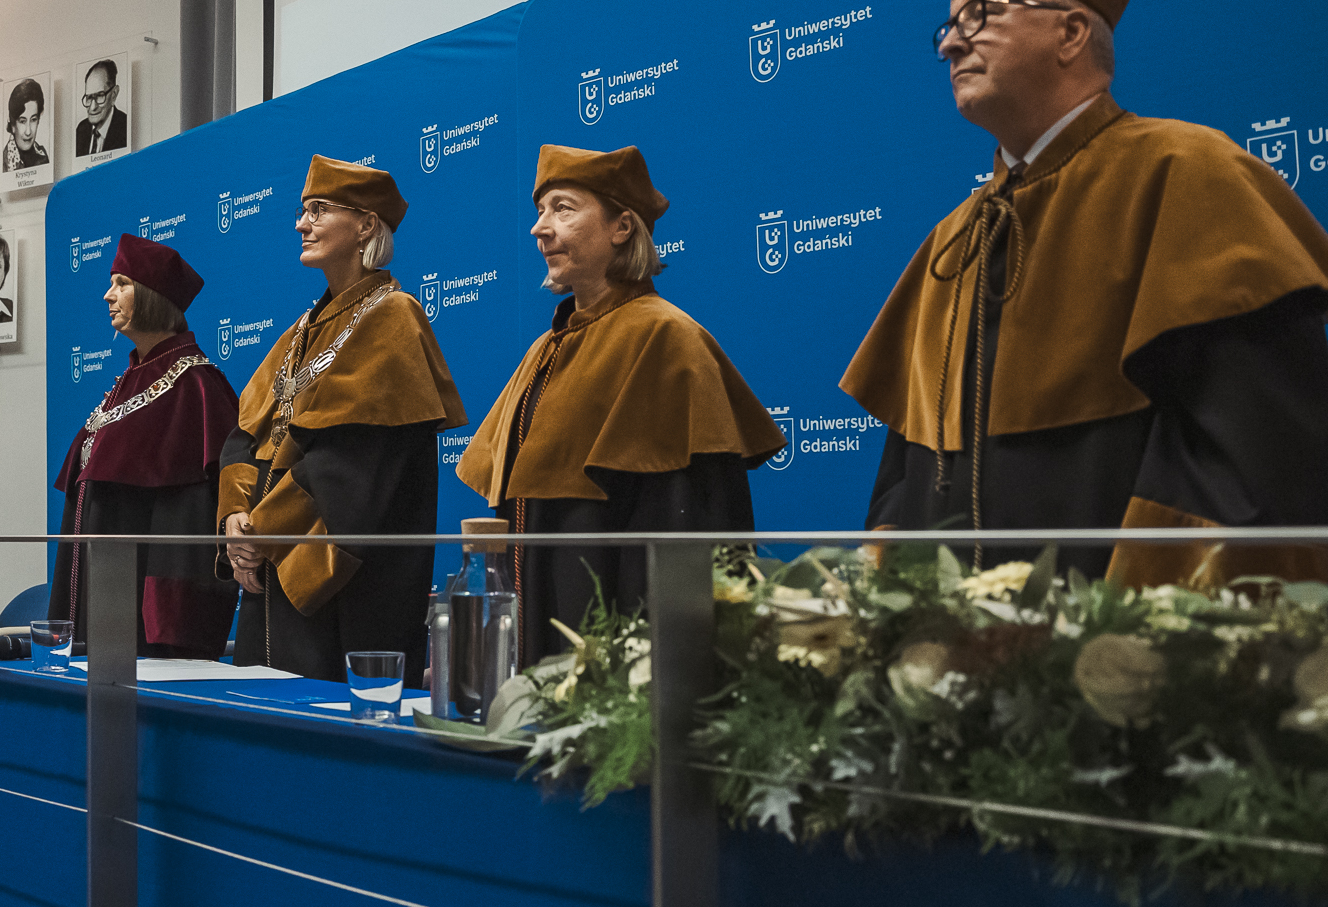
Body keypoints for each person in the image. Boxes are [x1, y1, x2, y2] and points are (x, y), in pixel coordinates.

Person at [840, 0, 1328, 586]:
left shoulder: (1187, 175)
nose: (950, 43)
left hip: (1112, 636)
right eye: (949, 25)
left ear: (1070, 33)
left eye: (982, 13)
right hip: (952, 640)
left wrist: (1125, 638)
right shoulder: (953, 238)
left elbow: (1251, 463)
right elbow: (903, 478)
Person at [459, 145, 783, 667]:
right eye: (540, 211)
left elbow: (682, 528)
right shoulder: (546, 347)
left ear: (622, 227)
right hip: (542, 614)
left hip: (620, 630)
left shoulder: (666, 337)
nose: (540, 228)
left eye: (563, 209)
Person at [220, 156, 466, 682]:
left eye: (318, 210)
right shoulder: (300, 330)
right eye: (302, 211)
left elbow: (356, 463)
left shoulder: (393, 316)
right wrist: (235, 519)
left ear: (365, 225)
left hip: (340, 579)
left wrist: (262, 531)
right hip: (272, 566)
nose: (300, 224)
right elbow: (245, 432)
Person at [50, 236, 240, 657]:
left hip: (142, 621)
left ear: (154, 295)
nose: (108, 295)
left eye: (122, 283)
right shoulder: (131, 378)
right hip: (100, 595)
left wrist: (169, 622)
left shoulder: (196, 386)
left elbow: (190, 521)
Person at [74, 60, 128, 157]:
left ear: (114, 94)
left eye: (100, 96)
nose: (93, 107)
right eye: (89, 98)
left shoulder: (125, 127)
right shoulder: (81, 130)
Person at [4, 78, 50, 170]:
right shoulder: (3, 164)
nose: (28, 132)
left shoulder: (43, 156)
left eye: (33, 120)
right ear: (13, 125)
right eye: (22, 121)